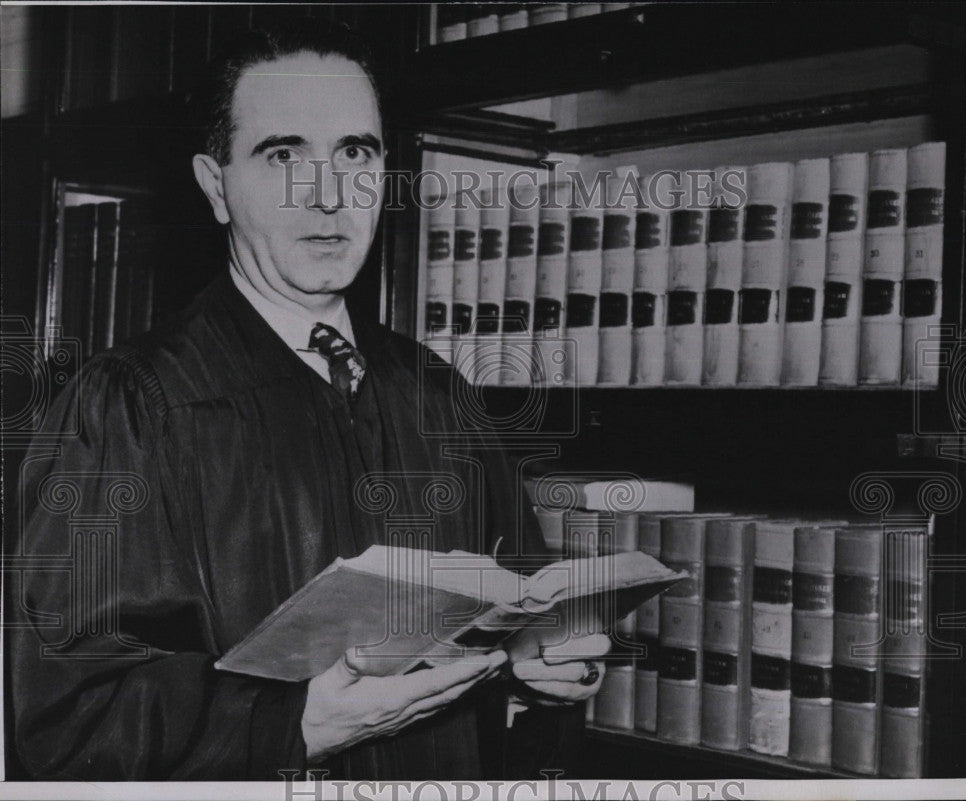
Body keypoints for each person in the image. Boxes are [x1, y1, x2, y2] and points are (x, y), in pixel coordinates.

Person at [8, 23, 609, 780]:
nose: (327, 193)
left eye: (355, 152)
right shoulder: (130, 405)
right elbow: (65, 725)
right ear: (214, 183)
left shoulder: (439, 395)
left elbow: (519, 627)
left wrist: (542, 679)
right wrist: (293, 726)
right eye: (283, 154)